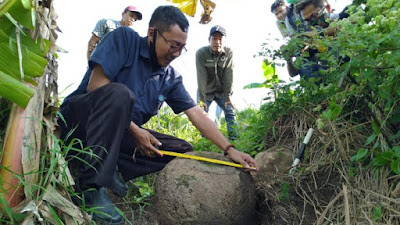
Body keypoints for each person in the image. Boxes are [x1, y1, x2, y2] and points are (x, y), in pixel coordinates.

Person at [59, 6, 258, 225]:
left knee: (181, 150)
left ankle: (113, 165)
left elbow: (196, 114)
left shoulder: (170, 77)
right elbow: (96, 85)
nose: (176, 53)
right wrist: (136, 131)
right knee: (119, 93)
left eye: (182, 48)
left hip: (118, 133)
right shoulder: (124, 39)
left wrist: (229, 149)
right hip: (80, 122)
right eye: (173, 45)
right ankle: (91, 187)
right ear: (153, 33)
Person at [195, 25, 238, 140]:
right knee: (201, 114)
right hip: (206, 90)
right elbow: (201, 76)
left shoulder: (229, 53)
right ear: (208, 40)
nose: (217, 42)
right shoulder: (201, 53)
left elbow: (229, 75)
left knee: (230, 112)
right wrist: (202, 99)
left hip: (222, 92)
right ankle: (204, 141)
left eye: (220, 39)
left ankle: (235, 140)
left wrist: (228, 98)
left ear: (224, 40)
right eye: (214, 39)